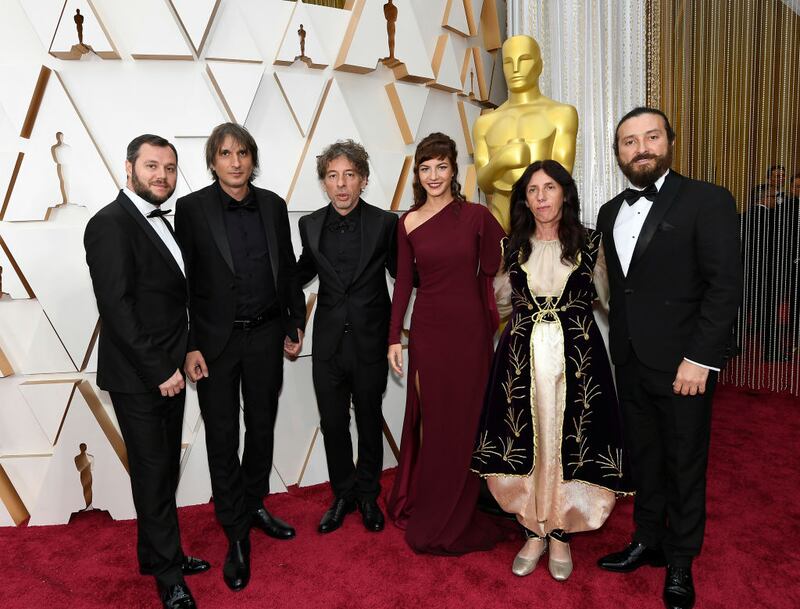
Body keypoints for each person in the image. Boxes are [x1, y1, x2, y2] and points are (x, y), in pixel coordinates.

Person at [596, 108, 742, 609]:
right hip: (630, 358)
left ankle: (680, 560)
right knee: (645, 457)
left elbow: (724, 287)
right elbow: (622, 289)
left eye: (651, 137)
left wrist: (701, 358)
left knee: (684, 462)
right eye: (629, 141)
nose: (641, 148)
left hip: (685, 363)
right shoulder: (609, 212)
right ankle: (647, 539)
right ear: (618, 153)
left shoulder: (708, 200)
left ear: (669, 142)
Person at [472, 160, 632, 581]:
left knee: (568, 441)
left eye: (549, 188)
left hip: (578, 362)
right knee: (529, 439)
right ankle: (532, 528)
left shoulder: (592, 244)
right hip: (520, 362)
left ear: (565, 193)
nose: (541, 197)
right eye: (532, 190)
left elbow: (614, 300)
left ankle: (560, 531)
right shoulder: (512, 247)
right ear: (524, 200)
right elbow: (498, 304)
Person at [174, 123, 305, 592]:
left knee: (262, 426)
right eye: (226, 153)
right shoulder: (191, 209)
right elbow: (184, 283)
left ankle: (253, 504)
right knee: (223, 435)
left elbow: (287, 268)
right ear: (213, 161)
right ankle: (235, 531)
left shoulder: (272, 204)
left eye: (243, 153)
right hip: (215, 344)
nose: (235, 161)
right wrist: (189, 343)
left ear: (253, 159)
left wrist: (294, 320)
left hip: (267, 335)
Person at [84, 134, 209, 609]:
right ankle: (168, 577)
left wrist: (187, 351)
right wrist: (159, 369)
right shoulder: (109, 224)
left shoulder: (161, 222)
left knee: (161, 470)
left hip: (169, 371)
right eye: (152, 166)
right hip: (141, 377)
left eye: (170, 168)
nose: (162, 175)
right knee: (154, 474)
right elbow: (116, 308)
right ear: (129, 168)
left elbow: (173, 303)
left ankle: (159, 554)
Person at [386, 132, 505, 554]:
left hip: (470, 333)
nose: (433, 175)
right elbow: (404, 283)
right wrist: (393, 338)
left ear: (454, 169)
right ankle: (435, 508)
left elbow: (499, 262)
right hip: (429, 334)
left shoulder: (476, 216)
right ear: (417, 174)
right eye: (425, 168)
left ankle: (465, 507)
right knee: (436, 425)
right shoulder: (407, 222)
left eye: (441, 166)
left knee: (467, 423)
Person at [295, 140, 397, 534]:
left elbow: (404, 275)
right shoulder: (309, 225)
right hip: (328, 343)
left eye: (349, 175)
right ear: (324, 182)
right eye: (333, 176)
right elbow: (299, 273)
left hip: (370, 340)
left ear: (363, 180)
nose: (341, 184)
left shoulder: (385, 224)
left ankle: (368, 494)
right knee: (333, 423)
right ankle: (343, 494)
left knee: (369, 420)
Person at [473, 34, 578, 231]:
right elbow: (484, 184)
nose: (515, 69)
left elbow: (563, 176)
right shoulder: (485, 122)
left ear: (539, 66)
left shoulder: (561, 114)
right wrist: (500, 161)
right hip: (499, 215)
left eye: (524, 60)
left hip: (544, 218)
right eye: (508, 62)